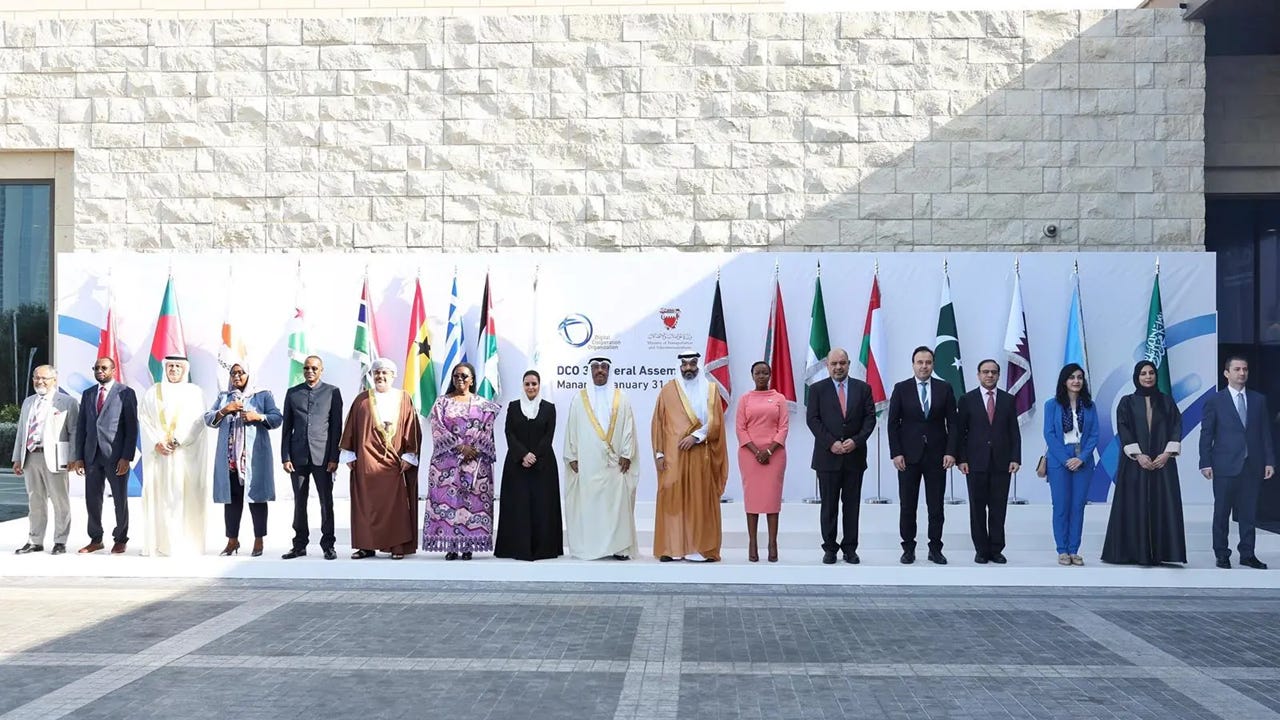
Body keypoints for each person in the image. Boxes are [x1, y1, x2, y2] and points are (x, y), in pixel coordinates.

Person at [1101, 360, 1187, 566]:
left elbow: (1176, 426)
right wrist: (1138, 455)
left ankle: (1162, 553)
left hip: (1162, 464)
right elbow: (1124, 429)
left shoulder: (1167, 401)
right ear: (1136, 377)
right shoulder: (1127, 402)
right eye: (1143, 373)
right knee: (1134, 505)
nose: (1148, 377)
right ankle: (1134, 553)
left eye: (1151, 373)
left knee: (1163, 505)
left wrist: (1166, 454)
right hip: (1134, 464)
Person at [341, 358, 422, 559]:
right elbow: (350, 428)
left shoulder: (403, 398)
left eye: (385, 372)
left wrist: (409, 454)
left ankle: (397, 546)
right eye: (377, 372)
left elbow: (412, 427)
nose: (380, 376)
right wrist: (349, 454)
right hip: (367, 461)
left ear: (393, 376)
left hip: (395, 462)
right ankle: (366, 546)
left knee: (396, 505)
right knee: (366, 504)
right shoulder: (362, 399)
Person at [1199, 356, 1275, 569]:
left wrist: (1269, 461)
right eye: (1237, 369)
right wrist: (1205, 462)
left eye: (1245, 369)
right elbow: (1207, 434)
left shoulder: (1258, 400)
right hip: (1224, 464)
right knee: (1222, 512)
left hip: (1252, 464)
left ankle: (1247, 554)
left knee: (1249, 513)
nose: (1242, 373)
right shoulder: (1215, 401)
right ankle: (1221, 553)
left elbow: (1265, 432)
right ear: (1226, 373)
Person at [652, 350, 728, 563]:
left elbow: (716, 422)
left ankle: (700, 548)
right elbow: (659, 423)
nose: (688, 368)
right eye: (684, 364)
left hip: (699, 454)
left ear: (698, 365)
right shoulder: (668, 391)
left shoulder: (711, 390)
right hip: (673, 456)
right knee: (672, 499)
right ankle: (672, 548)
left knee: (699, 500)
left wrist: (696, 437)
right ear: (679, 366)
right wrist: (659, 453)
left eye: (692, 364)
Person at [562, 357, 639, 561]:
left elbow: (629, 428)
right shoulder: (579, 399)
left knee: (616, 505)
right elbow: (571, 429)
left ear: (609, 370)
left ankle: (619, 548)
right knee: (592, 505)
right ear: (590, 371)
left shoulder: (622, 398)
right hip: (588, 462)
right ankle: (592, 546)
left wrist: (627, 453)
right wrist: (572, 456)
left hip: (615, 463)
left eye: (604, 367)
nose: (600, 371)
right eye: (596, 367)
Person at [805, 350, 875, 565]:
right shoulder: (817, 389)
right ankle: (830, 548)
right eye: (834, 363)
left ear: (849, 364)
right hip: (827, 458)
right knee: (829, 506)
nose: (838, 367)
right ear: (827, 365)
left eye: (842, 363)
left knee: (851, 506)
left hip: (854, 457)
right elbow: (813, 420)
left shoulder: (863, 389)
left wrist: (856, 440)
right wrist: (831, 443)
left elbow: (870, 419)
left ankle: (850, 549)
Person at [887, 346, 957, 565]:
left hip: (937, 456)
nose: (924, 366)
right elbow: (892, 424)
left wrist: (951, 452)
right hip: (908, 457)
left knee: (936, 506)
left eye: (928, 362)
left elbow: (953, 424)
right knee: (908, 505)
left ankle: (935, 548)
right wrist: (896, 453)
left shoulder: (945, 388)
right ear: (913, 364)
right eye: (920, 362)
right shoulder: (901, 388)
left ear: (933, 364)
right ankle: (908, 548)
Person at [205, 363, 283, 558]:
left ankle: (259, 540)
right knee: (231, 501)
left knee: (257, 498)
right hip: (229, 460)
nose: (237, 376)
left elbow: (277, 418)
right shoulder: (225, 397)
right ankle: (232, 540)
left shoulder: (262, 395)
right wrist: (225, 410)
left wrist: (258, 416)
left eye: (241, 373)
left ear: (250, 375)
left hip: (253, 460)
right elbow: (208, 419)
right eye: (233, 373)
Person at [423, 361, 499, 560]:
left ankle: (468, 546)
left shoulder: (484, 405)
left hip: (476, 463)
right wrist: (460, 447)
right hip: (446, 464)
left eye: (464, 376)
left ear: (472, 380)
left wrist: (473, 449)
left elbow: (487, 430)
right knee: (450, 504)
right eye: (456, 376)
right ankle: (451, 546)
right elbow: (437, 427)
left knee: (472, 504)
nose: (460, 379)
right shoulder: (442, 403)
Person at [950, 359, 1021, 565]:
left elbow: (1014, 432)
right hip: (975, 463)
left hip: (1002, 462)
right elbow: (960, 432)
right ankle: (981, 550)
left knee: (998, 508)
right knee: (977, 508)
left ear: (998, 375)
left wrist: (1015, 457)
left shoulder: (1008, 400)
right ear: (978, 374)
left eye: (993, 372)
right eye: (985, 372)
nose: (989, 375)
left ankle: (996, 549)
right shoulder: (967, 399)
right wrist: (961, 459)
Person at [138, 356, 208, 557]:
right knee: (160, 499)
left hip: (185, 456)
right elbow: (144, 419)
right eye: (170, 366)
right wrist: (157, 442)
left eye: (178, 366)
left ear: (184, 369)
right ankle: (161, 544)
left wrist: (178, 440)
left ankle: (184, 544)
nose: (174, 370)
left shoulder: (194, 392)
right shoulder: (153, 392)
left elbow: (198, 421)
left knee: (184, 497)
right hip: (159, 456)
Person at [70, 356, 138, 554]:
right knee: (92, 499)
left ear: (113, 370)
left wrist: (126, 457)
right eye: (96, 368)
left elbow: (132, 428)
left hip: (116, 457)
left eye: (104, 368)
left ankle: (120, 538)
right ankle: (96, 539)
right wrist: (79, 457)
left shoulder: (125, 393)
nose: (100, 371)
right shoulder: (88, 393)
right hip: (91, 456)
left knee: (119, 499)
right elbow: (82, 426)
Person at [494, 370, 563, 561]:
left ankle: (543, 549)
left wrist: (535, 455)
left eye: (534, 384)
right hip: (517, 465)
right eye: (527, 384)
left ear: (539, 386)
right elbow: (509, 433)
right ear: (523, 386)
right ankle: (516, 548)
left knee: (542, 507)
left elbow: (548, 435)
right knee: (518, 506)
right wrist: (523, 454)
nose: (531, 387)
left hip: (543, 466)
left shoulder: (549, 408)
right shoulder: (513, 406)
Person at [280, 355, 344, 561]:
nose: (310, 371)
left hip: (323, 457)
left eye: (314, 368)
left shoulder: (332, 392)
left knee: (326, 501)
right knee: (299, 501)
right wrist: (285, 456)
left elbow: (336, 428)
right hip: (297, 456)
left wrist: (334, 457)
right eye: (307, 368)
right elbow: (287, 428)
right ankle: (299, 545)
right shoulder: (293, 393)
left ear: (321, 370)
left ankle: (328, 545)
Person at [12, 365, 79, 555]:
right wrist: (17, 457)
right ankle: (35, 540)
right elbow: (21, 431)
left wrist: (73, 457)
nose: (40, 381)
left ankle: (60, 541)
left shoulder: (67, 402)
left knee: (60, 501)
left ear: (54, 380)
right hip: (30, 456)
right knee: (35, 501)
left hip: (56, 458)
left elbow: (74, 431)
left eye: (44, 378)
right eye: (36, 378)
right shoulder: (28, 402)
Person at [1042, 363, 1100, 566]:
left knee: (1077, 506)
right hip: (1059, 460)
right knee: (1061, 506)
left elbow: (1094, 435)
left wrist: (1081, 458)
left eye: (1079, 377)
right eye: (1072, 377)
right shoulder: (1052, 405)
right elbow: (1049, 434)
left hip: (1083, 459)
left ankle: (1074, 550)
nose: (1076, 381)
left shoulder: (1090, 405)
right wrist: (1065, 459)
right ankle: (1062, 550)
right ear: (1064, 381)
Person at [738, 361, 791, 563]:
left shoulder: (779, 398)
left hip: (774, 455)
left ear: (770, 375)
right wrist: (757, 451)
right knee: (752, 499)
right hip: (749, 455)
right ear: (752, 375)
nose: (761, 376)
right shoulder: (745, 399)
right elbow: (740, 429)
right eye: (757, 373)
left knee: (772, 499)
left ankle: (772, 543)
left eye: (765, 373)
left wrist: (769, 451)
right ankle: (752, 543)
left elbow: (783, 427)